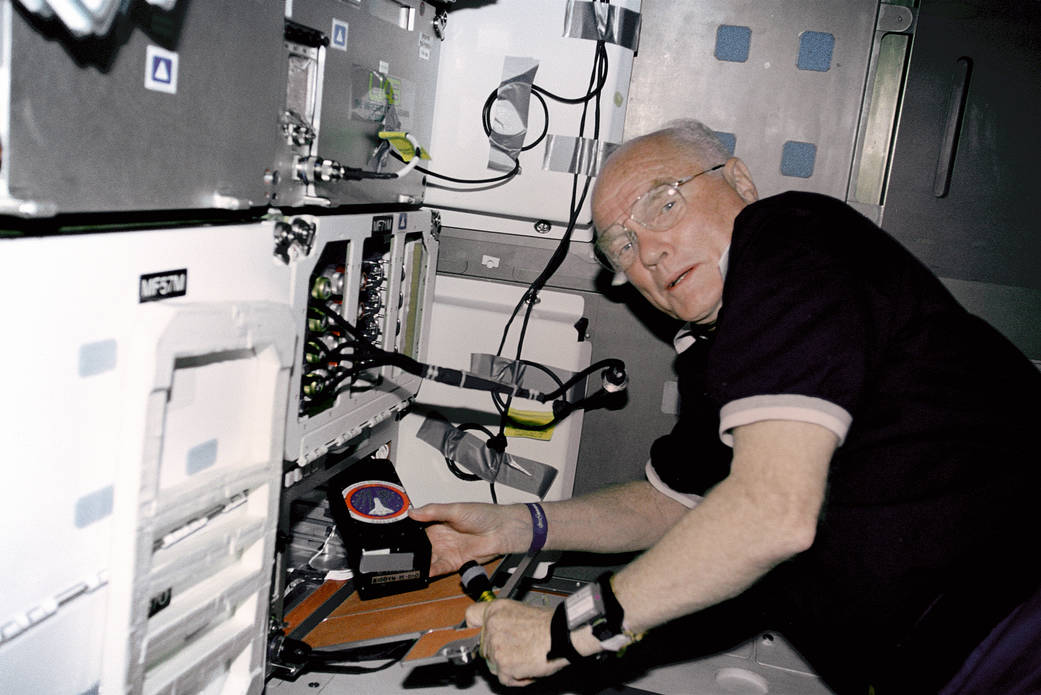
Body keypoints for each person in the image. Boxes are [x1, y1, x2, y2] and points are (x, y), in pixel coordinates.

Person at [410, 119, 1041, 694]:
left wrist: (566, 632)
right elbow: (670, 503)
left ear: (739, 180)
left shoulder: (786, 235)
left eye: (663, 202)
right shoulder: (719, 350)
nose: (649, 251)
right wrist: (512, 527)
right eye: (621, 246)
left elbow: (769, 513)